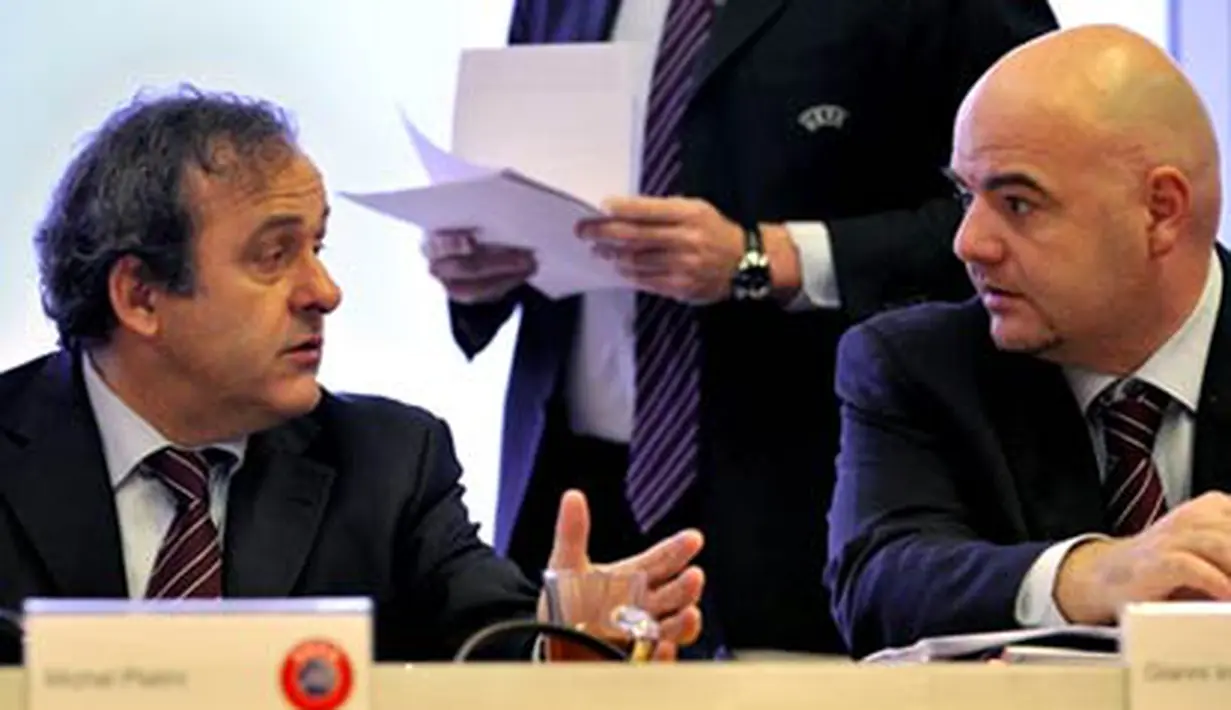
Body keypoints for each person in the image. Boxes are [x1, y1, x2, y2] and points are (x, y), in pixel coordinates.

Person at [425, 0, 1058, 655]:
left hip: (806, 491)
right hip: (573, 493)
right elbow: (523, 178)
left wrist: (773, 257)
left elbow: (1032, 207)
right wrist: (476, 265)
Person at [0, 88, 704, 666]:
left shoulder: (388, 460)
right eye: (274, 255)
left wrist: (565, 645)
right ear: (141, 296)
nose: (324, 291)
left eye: (318, 246)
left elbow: (492, 632)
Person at [825, 24, 1231, 659]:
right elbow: (881, 584)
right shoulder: (918, 364)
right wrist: (1096, 574)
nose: (968, 243)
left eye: (1017, 203)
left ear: (1160, 210)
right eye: (965, 195)